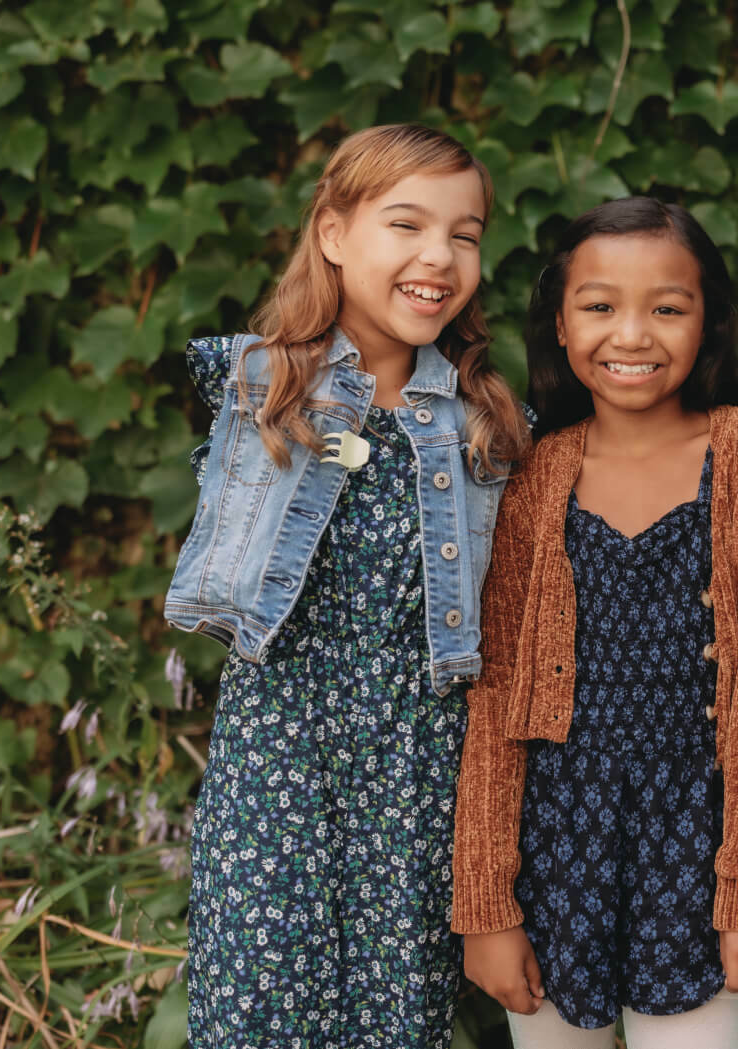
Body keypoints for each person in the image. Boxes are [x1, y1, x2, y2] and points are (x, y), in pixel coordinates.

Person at [166, 124, 530, 1049]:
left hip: (417, 779)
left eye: (465, 233)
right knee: (253, 1018)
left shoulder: (491, 429)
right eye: (405, 224)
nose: (438, 258)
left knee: (394, 1027)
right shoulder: (253, 385)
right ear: (333, 231)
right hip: (278, 760)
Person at [451, 197, 738, 1048]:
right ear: (562, 324)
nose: (633, 334)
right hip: (554, 848)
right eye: (601, 305)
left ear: (709, 322)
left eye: (667, 307)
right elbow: (498, 696)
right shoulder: (531, 478)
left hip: (699, 843)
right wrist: (484, 904)